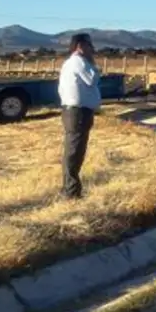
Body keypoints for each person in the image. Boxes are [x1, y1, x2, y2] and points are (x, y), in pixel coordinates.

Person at [58, 33, 101, 199]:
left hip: (74, 111)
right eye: (90, 45)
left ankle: (70, 188)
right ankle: (71, 191)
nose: (92, 49)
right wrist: (93, 64)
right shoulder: (79, 62)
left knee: (73, 150)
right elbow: (92, 79)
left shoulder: (69, 63)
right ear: (81, 45)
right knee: (75, 151)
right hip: (78, 112)